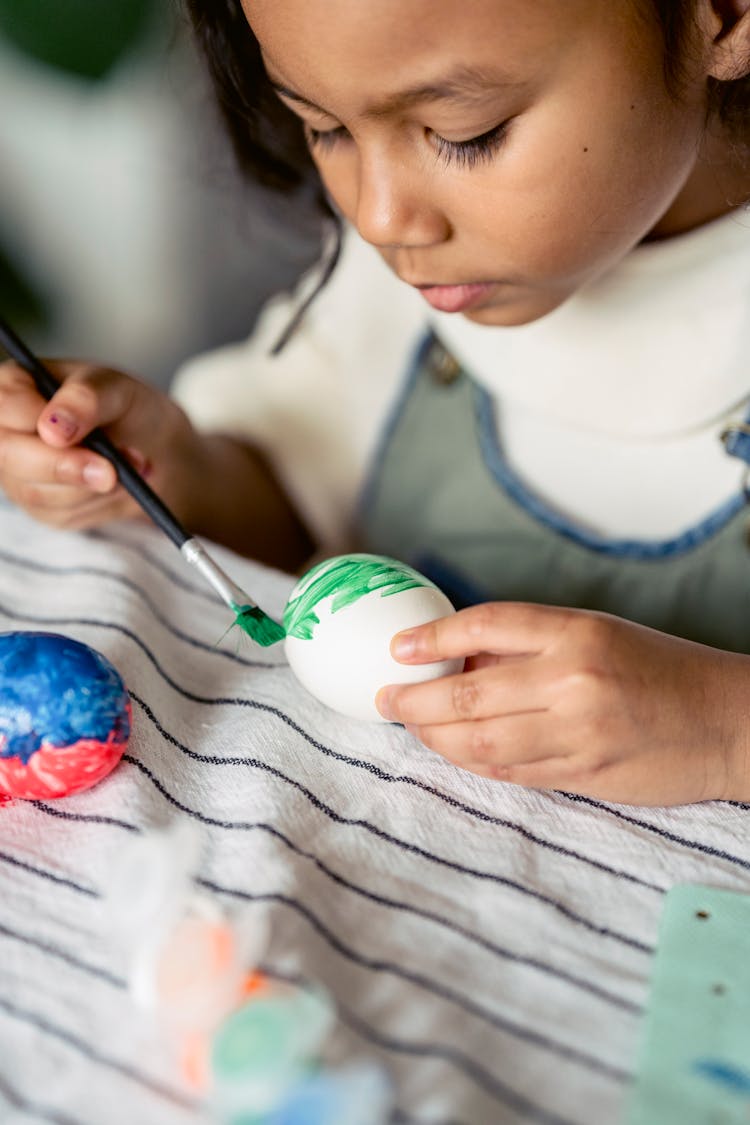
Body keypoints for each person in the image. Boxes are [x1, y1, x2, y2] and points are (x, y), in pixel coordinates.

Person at [1, 0, 750, 806]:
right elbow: (295, 513)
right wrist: (164, 469)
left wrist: (723, 729)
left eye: (464, 135)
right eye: (325, 129)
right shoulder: (402, 280)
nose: (381, 216)